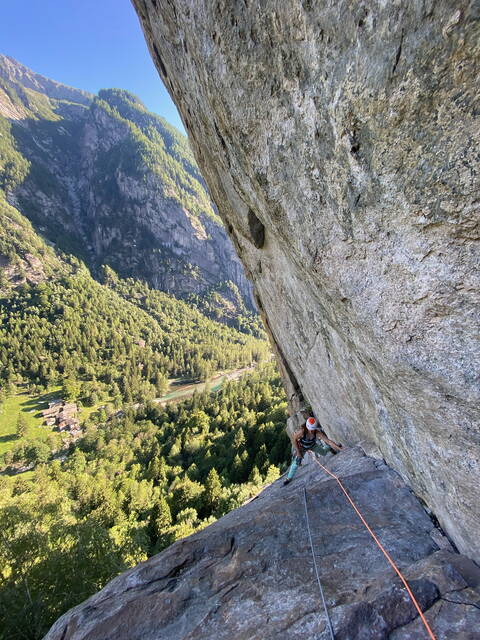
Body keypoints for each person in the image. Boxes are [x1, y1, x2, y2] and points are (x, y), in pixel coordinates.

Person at [283, 416, 331, 485]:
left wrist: (331, 444)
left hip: (312, 445)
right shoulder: (302, 432)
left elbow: (323, 438)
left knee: (323, 452)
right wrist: (298, 452)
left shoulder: (315, 431)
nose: (311, 431)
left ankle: (329, 447)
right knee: (296, 462)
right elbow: (294, 439)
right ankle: (289, 478)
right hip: (302, 447)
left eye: (312, 430)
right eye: (310, 429)